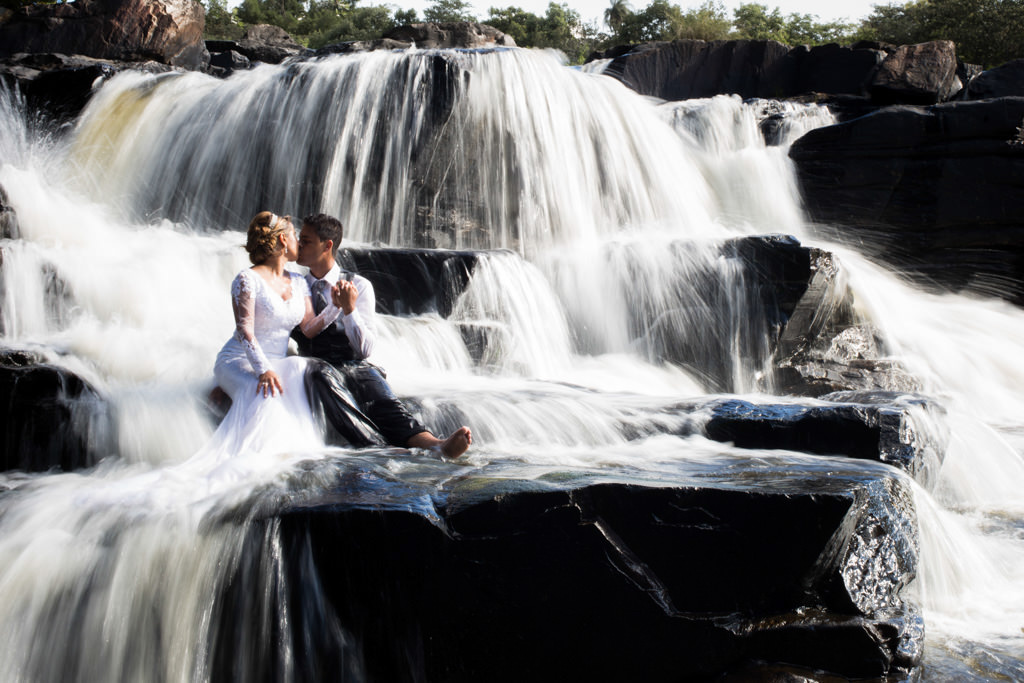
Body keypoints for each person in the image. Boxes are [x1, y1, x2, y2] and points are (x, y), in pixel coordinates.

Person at [293, 213, 472, 459]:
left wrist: (349, 310)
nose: (298, 245)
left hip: (352, 363)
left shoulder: (359, 285)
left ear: (327, 245)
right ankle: (381, 447)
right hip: (313, 365)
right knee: (325, 381)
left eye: (306, 241)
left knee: (383, 398)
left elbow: (365, 349)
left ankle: (435, 444)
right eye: (299, 239)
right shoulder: (294, 286)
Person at [204, 211, 348, 462]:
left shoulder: (298, 282)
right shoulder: (247, 279)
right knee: (265, 392)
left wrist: (336, 307)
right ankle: (256, 459)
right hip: (239, 359)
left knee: (299, 368)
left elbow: (309, 328)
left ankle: (298, 453)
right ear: (283, 240)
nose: (299, 243)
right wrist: (263, 370)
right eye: (295, 237)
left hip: (277, 362)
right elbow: (245, 331)